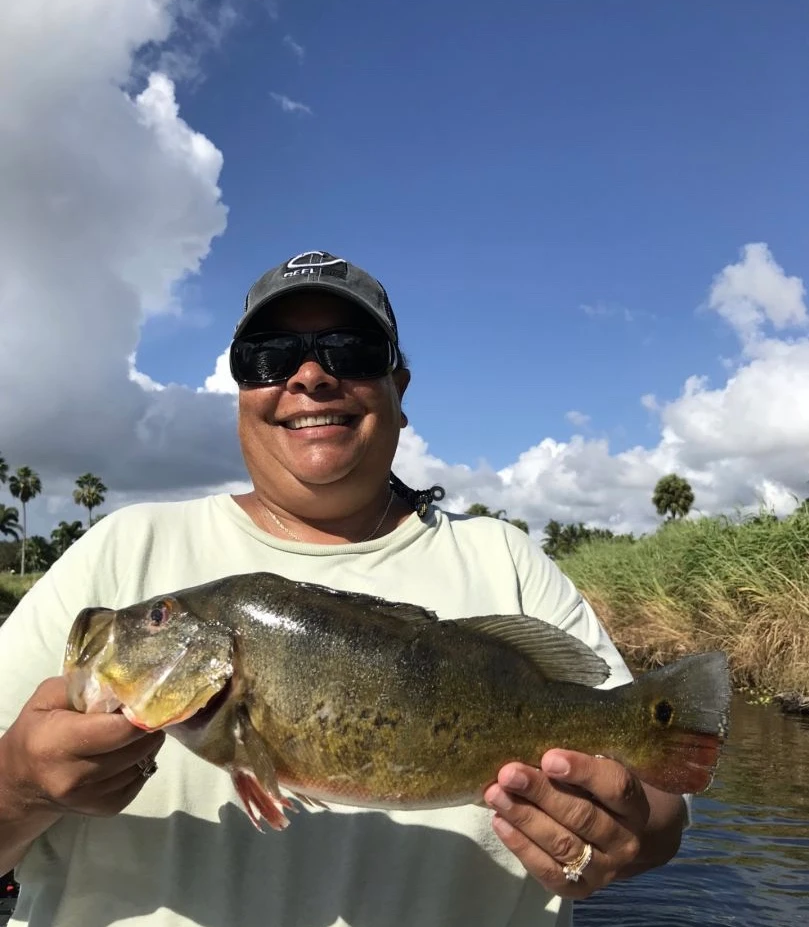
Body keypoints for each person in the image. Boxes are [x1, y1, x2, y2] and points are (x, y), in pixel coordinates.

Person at [0, 250, 689, 927]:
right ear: (242, 386)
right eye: (271, 355)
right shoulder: (123, 548)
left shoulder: (504, 559)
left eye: (350, 350)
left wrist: (631, 836)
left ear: (400, 388)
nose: (308, 375)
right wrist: (19, 785)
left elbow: (659, 805)